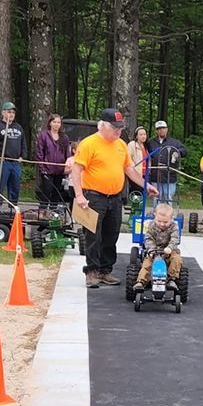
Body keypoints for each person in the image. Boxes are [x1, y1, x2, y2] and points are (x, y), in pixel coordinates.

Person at [72, 109, 157, 288]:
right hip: (93, 196)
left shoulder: (120, 145)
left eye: (120, 128)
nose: (118, 132)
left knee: (112, 234)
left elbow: (129, 169)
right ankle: (92, 271)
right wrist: (79, 195)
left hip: (115, 197)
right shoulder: (89, 144)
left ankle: (105, 270)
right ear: (103, 126)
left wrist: (145, 185)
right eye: (115, 128)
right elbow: (76, 169)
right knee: (93, 235)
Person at [133, 203, 182, 291]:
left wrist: (170, 248)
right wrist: (151, 250)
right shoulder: (152, 225)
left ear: (171, 219)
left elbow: (175, 238)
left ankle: (171, 279)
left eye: (165, 222)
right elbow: (148, 238)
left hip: (169, 251)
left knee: (177, 259)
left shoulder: (174, 226)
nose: (162, 224)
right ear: (155, 216)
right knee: (147, 263)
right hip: (155, 250)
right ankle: (141, 281)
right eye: (159, 221)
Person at [0, 101, 27, 205]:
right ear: (3, 113)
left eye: (13, 112)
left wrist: (22, 156)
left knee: (15, 186)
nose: (11, 114)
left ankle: (13, 207)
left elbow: (23, 143)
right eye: (9, 112)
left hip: (16, 162)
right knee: (0, 185)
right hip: (3, 162)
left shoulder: (18, 127)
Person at [148, 120, 187, 205]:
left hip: (170, 175)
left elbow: (184, 151)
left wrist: (178, 152)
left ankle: (168, 217)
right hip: (156, 175)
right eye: (159, 129)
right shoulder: (150, 142)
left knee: (168, 196)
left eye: (163, 128)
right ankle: (157, 216)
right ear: (156, 131)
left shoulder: (174, 142)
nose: (161, 130)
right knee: (157, 197)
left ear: (167, 129)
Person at [34, 113, 71, 205]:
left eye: (58, 122)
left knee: (57, 193)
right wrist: (42, 169)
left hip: (60, 170)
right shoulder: (43, 135)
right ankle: (43, 212)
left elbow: (67, 154)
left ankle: (54, 212)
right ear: (50, 123)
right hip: (47, 170)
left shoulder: (64, 137)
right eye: (54, 122)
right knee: (46, 191)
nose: (57, 124)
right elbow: (39, 153)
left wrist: (67, 167)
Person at [128, 126, 150, 195]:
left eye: (144, 134)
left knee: (143, 193)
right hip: (136, 173)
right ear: (136, 136)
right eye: (141, 135)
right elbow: (128, 157)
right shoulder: (132, 144)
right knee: (137, 193)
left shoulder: (145, 146)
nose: (143, 136)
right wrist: (133, 166)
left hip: (144, 173)